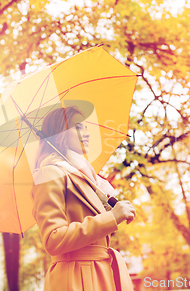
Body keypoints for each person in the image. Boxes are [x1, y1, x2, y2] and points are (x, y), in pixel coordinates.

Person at [31, 106, 136, 291]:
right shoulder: (49, 174)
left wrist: (113, 211)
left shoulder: (86, 177)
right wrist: (112, 218)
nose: (86, 133)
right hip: (76, 279)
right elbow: (53, 239)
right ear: (60, 133)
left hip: (100, 274)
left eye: (86, 127)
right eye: (78, 127)